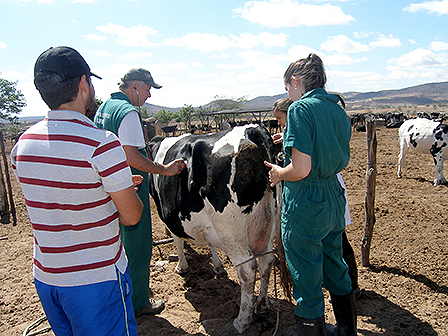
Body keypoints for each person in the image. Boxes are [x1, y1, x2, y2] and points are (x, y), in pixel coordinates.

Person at [11, 46, 144, 336]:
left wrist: (106, 189)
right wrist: (119, 192)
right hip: (95, 279)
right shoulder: (101, 143)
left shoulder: (22, 145)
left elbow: (55, 189)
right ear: (84, 84)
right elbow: (132, 216)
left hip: (48, 277)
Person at [264, 54, 356, 336]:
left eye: (287, 88)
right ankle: (346, 330)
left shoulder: (299, 110)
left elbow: (300, 168)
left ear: (295, 81)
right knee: (336, 264)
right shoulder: (337, 108)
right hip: (333, 196)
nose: (288, 95)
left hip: (306, 201)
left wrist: (279, 173)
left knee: (306, 274)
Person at [94, 68, 186, 316]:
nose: (148, 96)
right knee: (137, 245)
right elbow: (131, 155)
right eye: (147, 89)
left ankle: (121, 292)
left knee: (117, 244)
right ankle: (137, 303)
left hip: (106, 188)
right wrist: (164, 170)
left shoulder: (105, 107)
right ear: (134, 86)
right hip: (129, 188)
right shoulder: (128, 113)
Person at [272, 97, 362, 300]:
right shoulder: (325, 116)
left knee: (336, 241)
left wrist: (279, 173)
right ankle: (344, 286)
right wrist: (285, 135)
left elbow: (301, 166)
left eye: (280, 118)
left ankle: (351, 283)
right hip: (331, 188)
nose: (279, 122)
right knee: (334, 240)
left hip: (315, 189)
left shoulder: (300, 118)